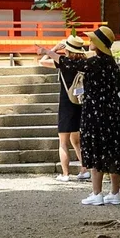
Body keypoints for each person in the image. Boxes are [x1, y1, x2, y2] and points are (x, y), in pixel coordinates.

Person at [52, 24, 120, 205]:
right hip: (112, 112)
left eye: (92, 40)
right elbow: (117, 87)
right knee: (114, 150)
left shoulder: (95, 62)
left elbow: (70, 64)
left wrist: (49, 52)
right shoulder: (112, 65)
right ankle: (115, 193)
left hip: (95, 112)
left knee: (95, 150)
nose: (90, 42)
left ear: (98, 43)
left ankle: (97, 193)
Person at [39, 35, 90, 182]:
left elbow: (42, 62)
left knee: (63, 141)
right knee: (77, 141)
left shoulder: (64, 62)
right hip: (80, 103)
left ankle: (65, 174)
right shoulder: (84, 63)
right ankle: (84, 169)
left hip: (67, 102)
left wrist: (55, 48)